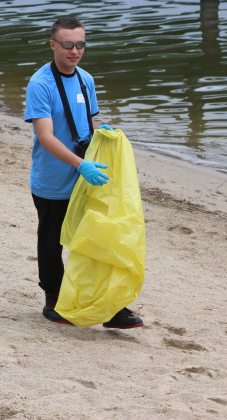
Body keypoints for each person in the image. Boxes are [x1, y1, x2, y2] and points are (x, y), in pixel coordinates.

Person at [24, 16, 143, 329]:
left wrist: (104, 138)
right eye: (67, 44)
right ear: (53, 45)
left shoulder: (85, 79)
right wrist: (81, 164)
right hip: (52, 179)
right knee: (52, 242)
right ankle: (54, 298)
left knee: (97, 238)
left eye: (80, 44)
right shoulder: (40, 84)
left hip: (85, 176)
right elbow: (46, 136)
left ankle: (111, 308)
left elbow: (88, 122)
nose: (74, 51)